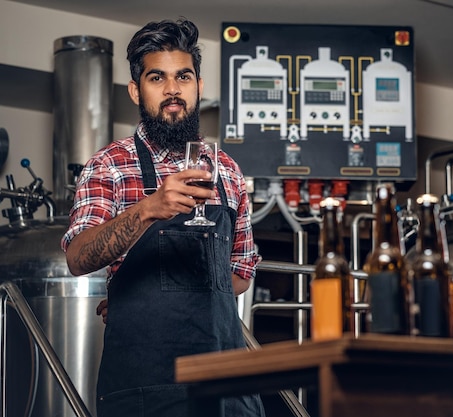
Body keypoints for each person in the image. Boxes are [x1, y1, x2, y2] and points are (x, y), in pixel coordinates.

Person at [61, 18, 265, 417]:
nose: (173, 90)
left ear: (199, 86)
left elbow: (239, 273)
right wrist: (148, 209)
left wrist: (161, 293)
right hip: (147, 390)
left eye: (183, 77)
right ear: (137, 90)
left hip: (226, 385)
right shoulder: (109, 165)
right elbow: (78, 256)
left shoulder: (227, 170)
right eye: (157, 78)